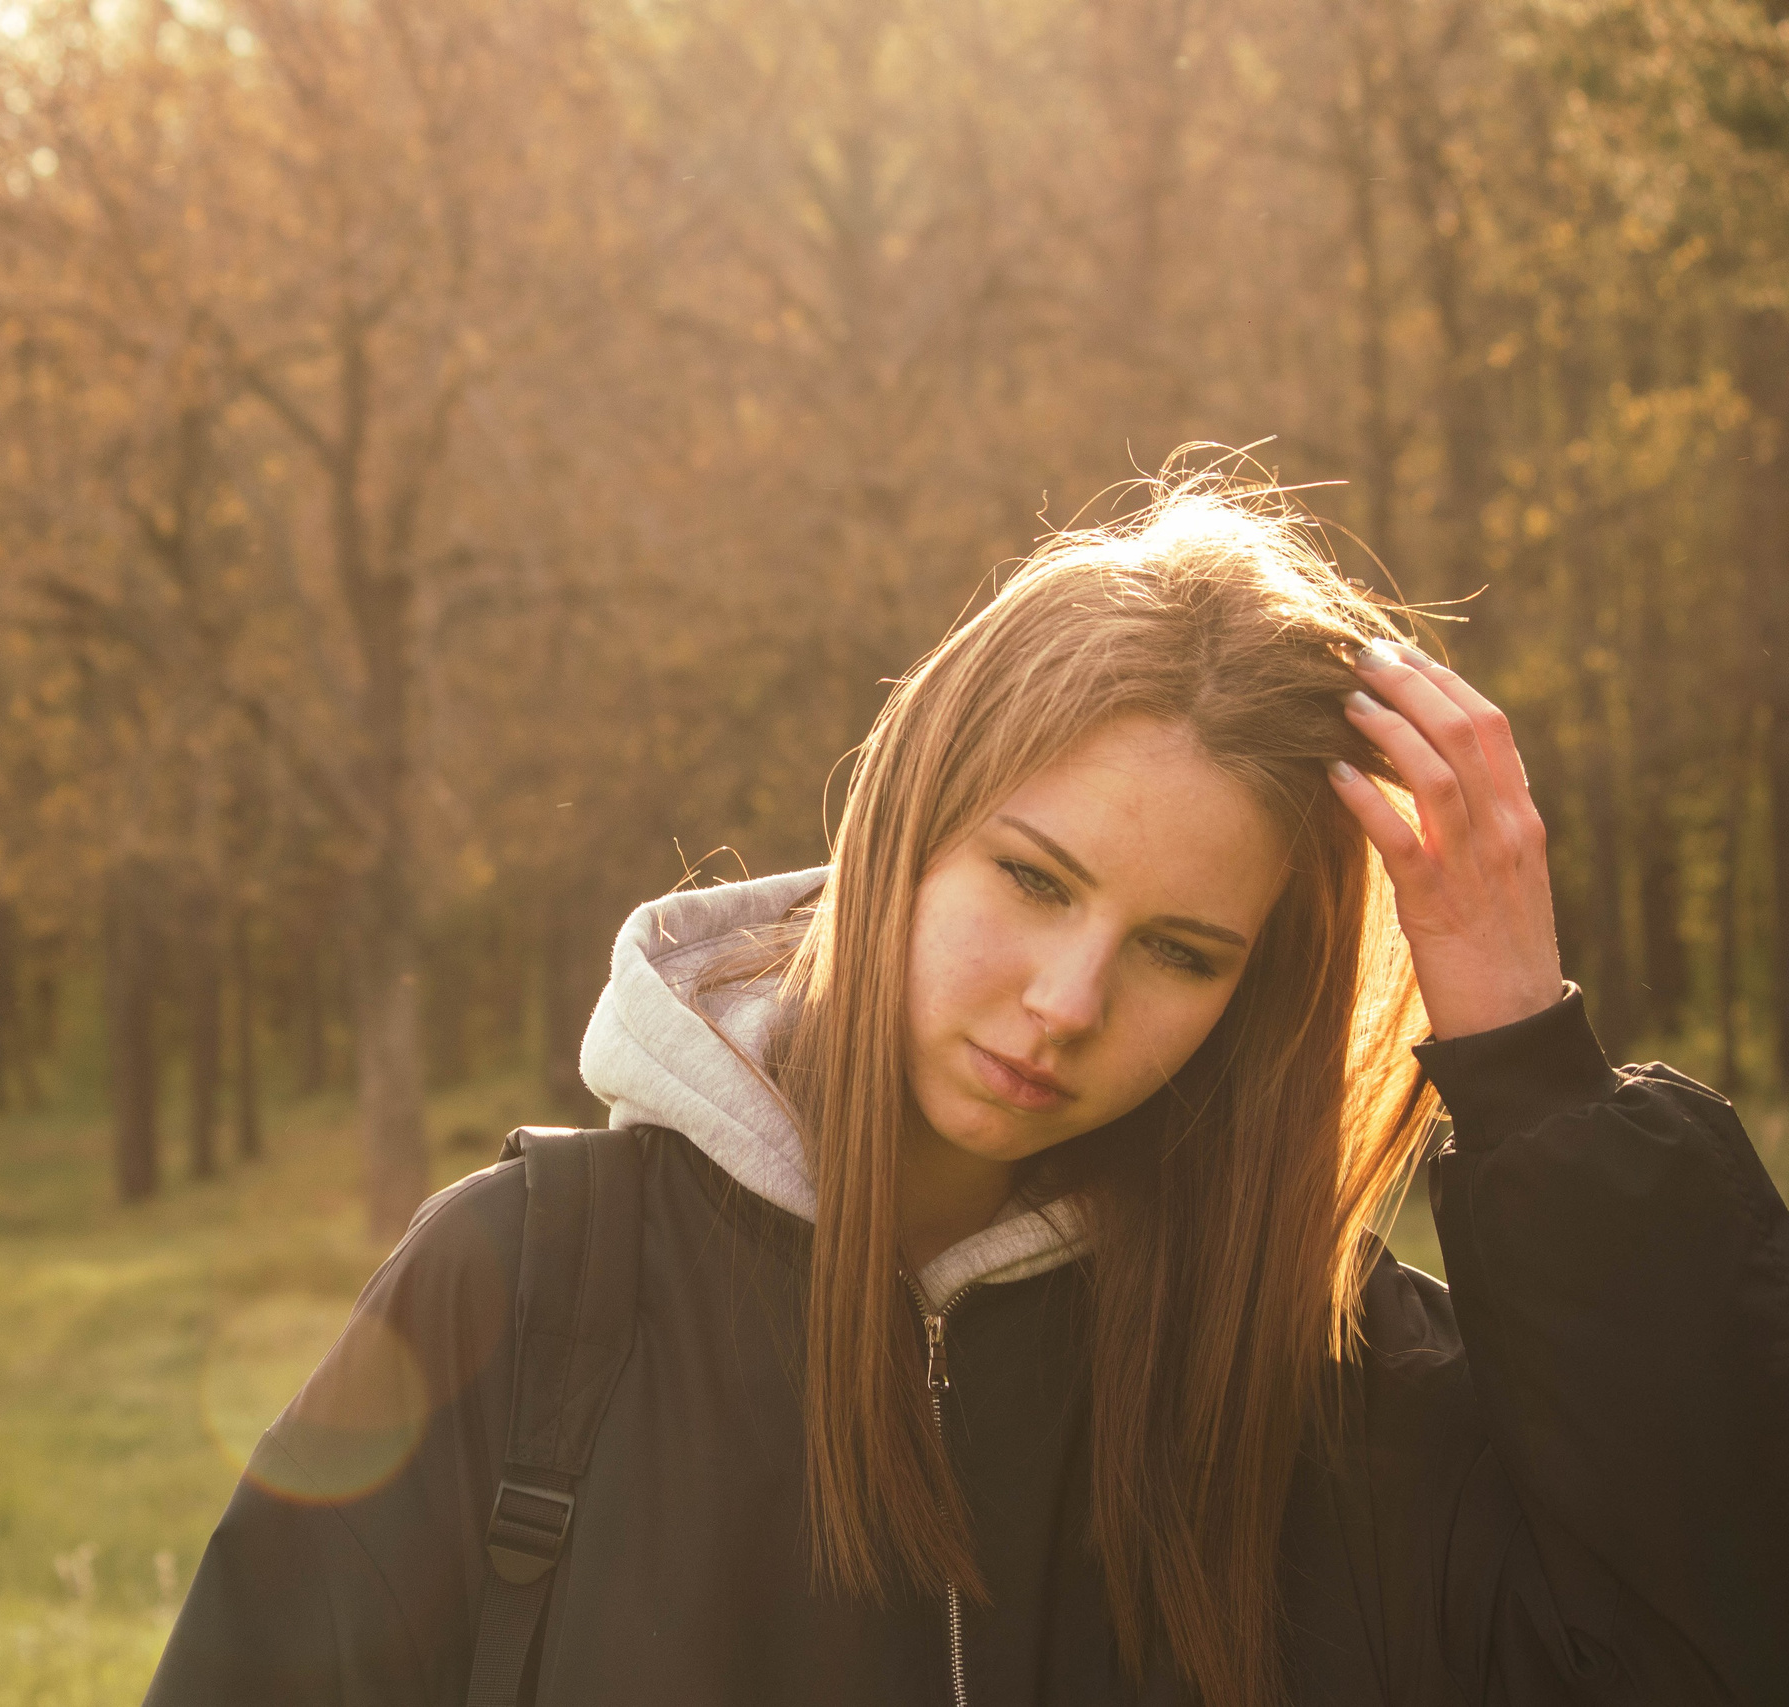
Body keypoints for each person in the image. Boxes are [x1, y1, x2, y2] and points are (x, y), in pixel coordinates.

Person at [144, 473, 1789, 1707]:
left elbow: (1696, 1650)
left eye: (1183, 953)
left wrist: (1525, 1065)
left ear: (1255, 999)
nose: (1065, 1005)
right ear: (909, 830)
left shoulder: (1317, 1379)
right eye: (1034, 878)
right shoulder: (527, 1293)